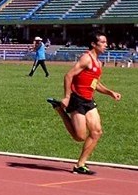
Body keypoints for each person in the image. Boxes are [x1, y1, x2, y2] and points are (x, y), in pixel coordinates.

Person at [47, 32, 122, 175]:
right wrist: (67, 97)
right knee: (79, 137)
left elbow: (95, 84)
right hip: (77, 99)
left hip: (88, 100)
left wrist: (110, 92)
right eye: (103, 42)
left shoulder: (99, 63)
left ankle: (80, 165)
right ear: (94, 44)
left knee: (97, 132)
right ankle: (60, 110)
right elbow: (69, 75)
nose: (106, 45)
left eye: (106, 42)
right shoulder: (86, 58)